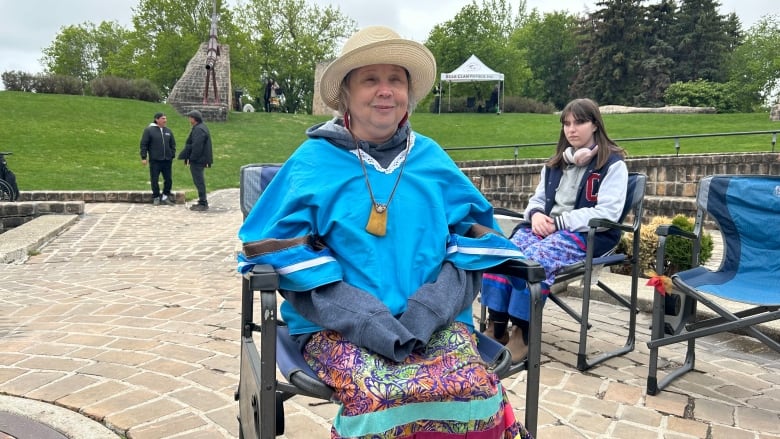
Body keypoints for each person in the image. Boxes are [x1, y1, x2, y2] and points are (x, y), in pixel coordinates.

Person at [237, 26, 532, 439]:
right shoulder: (311, 163)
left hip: (436, 322)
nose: (385, 91)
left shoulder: (431, 158)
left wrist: (430, 308)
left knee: (476, 391)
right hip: (336, 326)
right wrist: (366, 317)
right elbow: (277, 252)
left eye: (395, 79)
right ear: (346, 93)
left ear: (408, 93)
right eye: (370, 79)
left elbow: (475, 242)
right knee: (384, 396)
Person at [481, 98, 628, 363]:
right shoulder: (554, 165)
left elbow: (608, 213)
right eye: (567, 123)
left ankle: (523, 332)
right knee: (503, 252)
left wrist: (559, 223)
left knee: (536, 259)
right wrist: (536, 215)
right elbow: (536, 202)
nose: (572, 129)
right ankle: (497, 325)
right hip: (545, 228)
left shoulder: (612, 164)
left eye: (579, 122)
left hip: (585, 234)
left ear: (595, 124)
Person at [178, 110, 213, 211]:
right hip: (200, 159)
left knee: (199, 181)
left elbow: (197, 146)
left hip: (198, 160)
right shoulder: (201, 127)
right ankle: (202, 201)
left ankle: (203, 202)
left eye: (190, 117)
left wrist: (191, 158)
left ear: (194, 118)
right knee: (199, 180)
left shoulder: (199, 129)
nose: (189, 119)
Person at [140, 112, 176, 205]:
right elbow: (144, 144)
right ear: (157, 119)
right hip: (155, 160)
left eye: (165, 118)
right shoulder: (149, 130)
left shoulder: (168, 131)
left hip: (167, 160)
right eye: (163, 118)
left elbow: (173, 144)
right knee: (154, 179)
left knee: (168, 180)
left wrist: (172, 154)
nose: (165, 120)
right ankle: (156, 196)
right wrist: (144, 157)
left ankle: (165, 196)